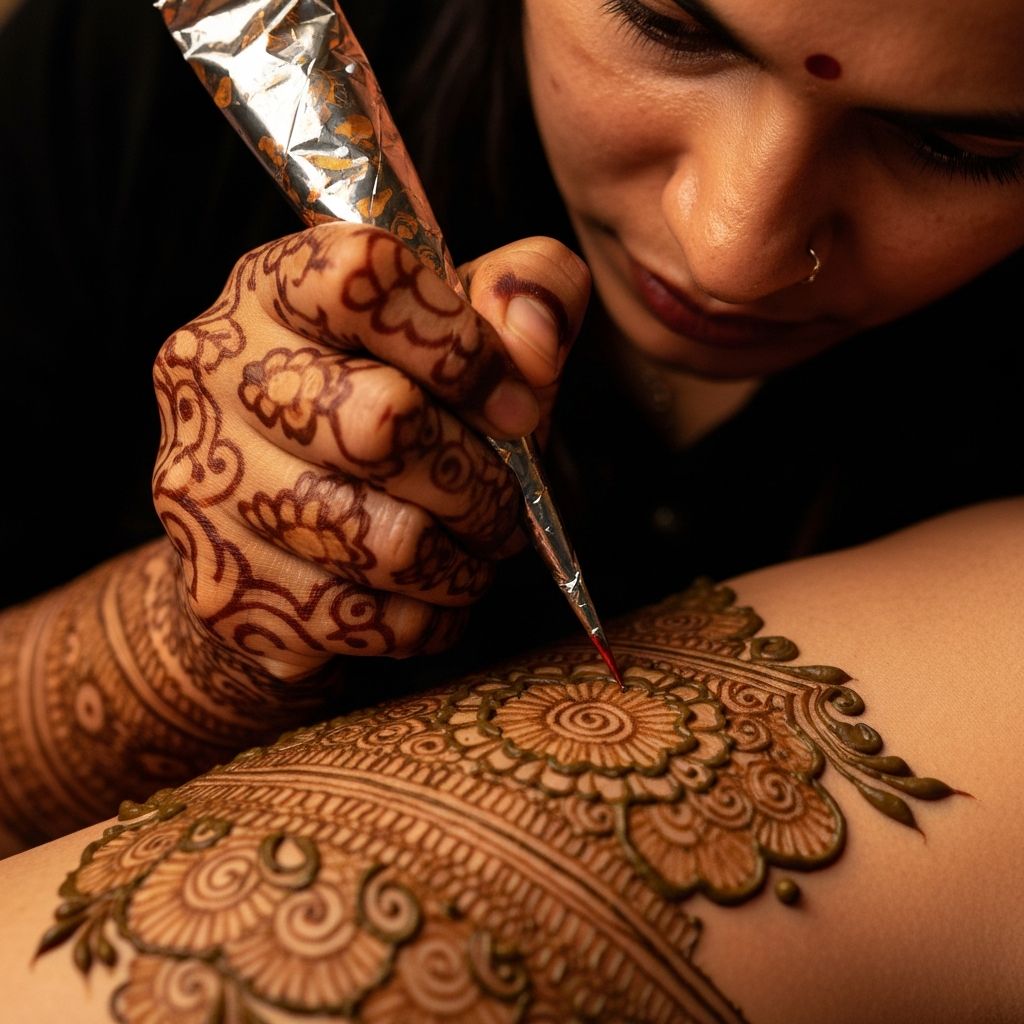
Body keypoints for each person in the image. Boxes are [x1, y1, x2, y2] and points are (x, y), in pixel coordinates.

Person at [1, 0, 1023, 856]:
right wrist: (188, 633)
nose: (728, 251)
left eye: (962, 145)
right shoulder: (146, 77)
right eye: (666, 26)